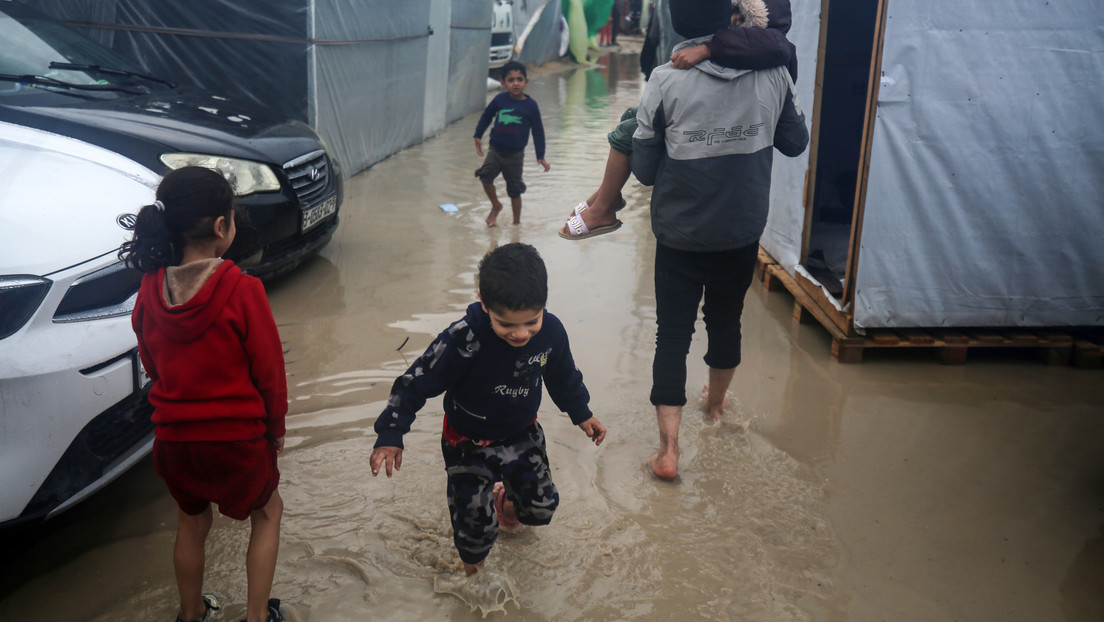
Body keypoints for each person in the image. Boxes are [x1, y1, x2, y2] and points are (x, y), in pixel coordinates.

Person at [630, 0, 809, 480]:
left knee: (672, 336)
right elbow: (795, 143)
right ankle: (715, 405)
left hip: (678, 235)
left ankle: (668, 450)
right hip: (739, 233)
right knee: (726, 321)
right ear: (731, 17)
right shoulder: (773, 74)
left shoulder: (664, 81)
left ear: (674, 20)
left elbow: (644, 171)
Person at [369, 243, 607, 577]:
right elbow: (414, 382)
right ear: (483, 302)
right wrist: (391, 433)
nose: (521, 334)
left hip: (522, 434)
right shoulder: (462, 340)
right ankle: (474, 580)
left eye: (531, 322)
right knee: (474, 533)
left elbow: (562, 375)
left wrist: (581, 413)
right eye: (506, 325)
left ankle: (503, 503)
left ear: (544, 304)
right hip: (467, 444)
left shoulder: (551, 332)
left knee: (540, 509)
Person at [121, 166, 287, 622]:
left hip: (174, 442)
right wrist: (275, 432)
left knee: (192, 523)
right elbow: (270, 373)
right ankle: (257, 617)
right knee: (268, 512)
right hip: (235, 440)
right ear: (221, 227)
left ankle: (191, 614)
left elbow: (150, 361)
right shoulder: (243, 290)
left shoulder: (149, 290)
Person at [559, 0, 797, 240]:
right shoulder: (773, 69)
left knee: (631, 129)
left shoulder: (669, 75)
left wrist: (708, 50)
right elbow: (795, 142)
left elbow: (646, 173)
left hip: (680, 230)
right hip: (745, 226)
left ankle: (603, 206)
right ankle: (606, 196)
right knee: (633, 117)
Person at [474, 61, 550, 227]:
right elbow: (487, 116)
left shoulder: (531, 106)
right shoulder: (500, 99)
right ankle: (496, 205)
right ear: (503, 83)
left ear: (526, 81)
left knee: (514, 190)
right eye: (511, 80)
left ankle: (516, 225)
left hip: (515, 156)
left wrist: (541, 156)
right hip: (495, 151)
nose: (515, 83)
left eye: (519, 79)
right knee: (485, 177)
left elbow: (538, 131)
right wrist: (478, 135)